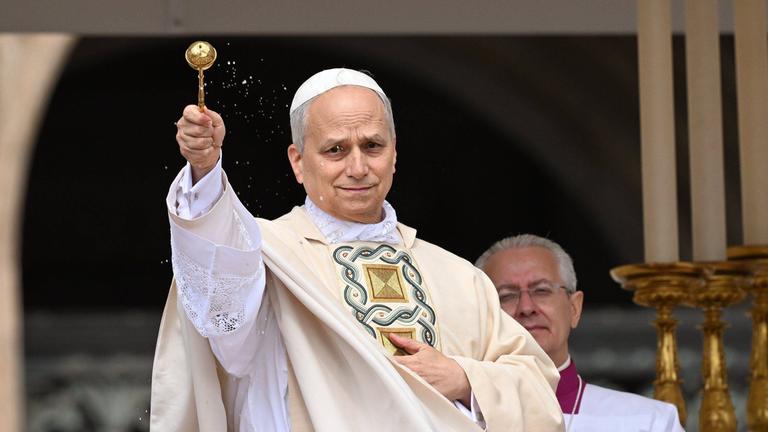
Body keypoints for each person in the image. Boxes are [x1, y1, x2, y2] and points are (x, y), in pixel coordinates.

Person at [150, 68, 564, 431]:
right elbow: (221, 295)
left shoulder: (458, 276)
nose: (358, 168)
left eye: (372, 146)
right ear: (297, 161)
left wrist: (463, 378)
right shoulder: (268, 257)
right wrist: (205, 170)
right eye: (335, 150)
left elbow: (540, 391)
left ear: (394, 154)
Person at [475, 234, 685, 432]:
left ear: (574, 309)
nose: (526, 307)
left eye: (542, 290)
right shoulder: (454, 419)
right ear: (483, 316)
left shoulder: (647, 422)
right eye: (506, 296)